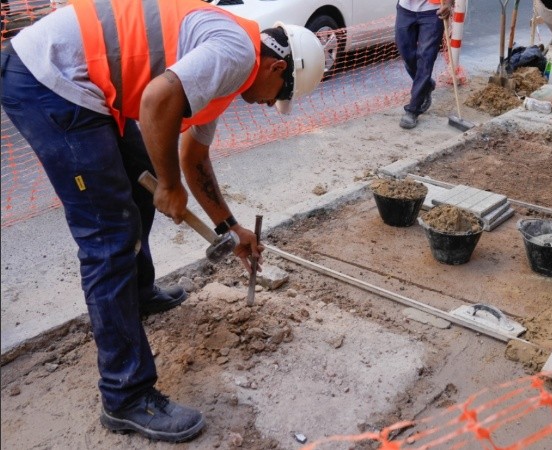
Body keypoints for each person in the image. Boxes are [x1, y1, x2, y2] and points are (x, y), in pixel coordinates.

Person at [0, 0, 324, 442]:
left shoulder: (231, 64)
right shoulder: (235, 54)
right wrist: (169, 185)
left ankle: (137, 294)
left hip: (82, 81)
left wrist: (230, 228)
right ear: (277, 67)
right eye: (279, 96)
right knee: (109, 235)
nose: (271, 105)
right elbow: (155, 101)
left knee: (140, 189)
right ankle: (126, 395)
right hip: (51, 78)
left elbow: (194, 158)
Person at [395, 0, 453, 129]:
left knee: (426, 59)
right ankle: (427, 85)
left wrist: (449, 2)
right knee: (406, 54)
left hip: (432, 11)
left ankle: (413, 109)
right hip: (405, 9)